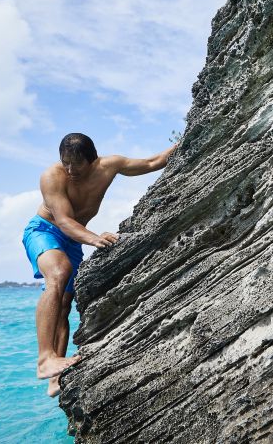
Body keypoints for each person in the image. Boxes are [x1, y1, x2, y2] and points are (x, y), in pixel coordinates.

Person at [22, 133, 177, 396]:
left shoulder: (110, 165)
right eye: (65, 162)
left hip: (74, 239)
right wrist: (94, 238)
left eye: (77, 164)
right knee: (58, 276)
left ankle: (55, 376)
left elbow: (154, 162)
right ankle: (44, 358)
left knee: (64, 304)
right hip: (45, 230)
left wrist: (186, 138)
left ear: (93, 160)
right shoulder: (52, 176)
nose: (70, 170)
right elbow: (62, 220)